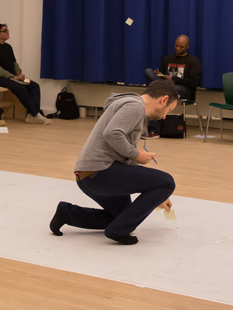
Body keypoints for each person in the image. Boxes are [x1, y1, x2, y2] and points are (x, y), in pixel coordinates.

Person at [48, 79, 177, 245]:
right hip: (101, 172)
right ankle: (118, 231)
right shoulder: (135, 106)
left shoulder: (129, 105)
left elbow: (124, 155)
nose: (165, 116)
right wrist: (137, 154)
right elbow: (112, 134)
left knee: (121, 216)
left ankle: (68, 213)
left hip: (88, 175)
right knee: (167, 182)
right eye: (168, 110)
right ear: (163, 99)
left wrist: (156, 194)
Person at [0, 23, 50, 124]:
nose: (7, 32)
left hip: (14, 77)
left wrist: (19, 74)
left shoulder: (8, 47)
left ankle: (31, 114)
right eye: (4, 31)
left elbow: (14, 63)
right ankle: (36, 114)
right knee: (21, 88)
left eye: (7, 30)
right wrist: (12, 76)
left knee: (34, 85)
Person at [144, 35, 201, 137]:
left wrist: (173, 79)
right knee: (148, 71)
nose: (178, 48)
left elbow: (193, 83)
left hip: (183, 90)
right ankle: (150, 128)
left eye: (181, 47)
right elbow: (162, 78)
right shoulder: (167, 59)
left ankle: (153, 129)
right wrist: (160, 75)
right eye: (176, 45)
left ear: (187, 46)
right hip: (166, 88)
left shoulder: (193, 61)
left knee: (159, 93)